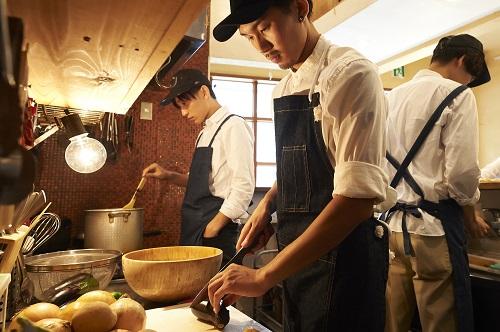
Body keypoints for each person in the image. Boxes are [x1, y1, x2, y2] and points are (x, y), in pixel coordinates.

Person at [208, 1, 390, 331]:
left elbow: (356, 201)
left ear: (300, 7)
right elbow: (306, 165)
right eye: (249, 37)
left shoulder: (350, 73)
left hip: (345, 265)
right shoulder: (286, 87)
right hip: (301, 262)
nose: (260, 46)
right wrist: (269, 204)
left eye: (264, 28)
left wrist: (264, 275)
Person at [383, 34, 491, 332]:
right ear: (463, 61)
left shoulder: (392, 96)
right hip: (434, 228)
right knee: (442, 322)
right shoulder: (458, 95)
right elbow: (462, 173)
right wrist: (470, 212)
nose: (468, 83)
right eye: (471, 76)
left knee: (393, 319)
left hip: (392, 226)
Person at [142, 68, 255, 267]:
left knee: (217, 295)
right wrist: (168, 175)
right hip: (193, 228)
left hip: (215, 233)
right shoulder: (204, 133)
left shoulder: (233, 125)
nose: (184, 113)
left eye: (185, 104)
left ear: (204, 92)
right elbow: (200, 182)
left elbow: (243, 187)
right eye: (179, 108)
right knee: (194, 295)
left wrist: (213, 228)